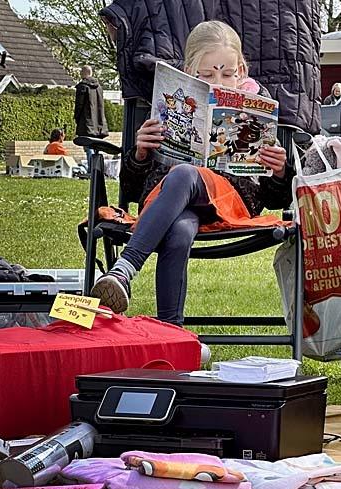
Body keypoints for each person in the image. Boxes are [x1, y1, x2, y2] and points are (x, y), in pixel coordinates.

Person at [89, 21, 292, 325]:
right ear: (190, 72)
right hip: (171, 206)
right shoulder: (169, 106)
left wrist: (279, 173)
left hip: (230, 205)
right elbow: (131, 189)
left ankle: (125, 268)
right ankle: (173, 332)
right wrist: (141, 154)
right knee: (181, 229)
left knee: (185, 173)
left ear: (242, 70)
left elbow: (275, 199)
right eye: (207, 75)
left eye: (227, 74)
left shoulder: (257, 115)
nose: (218, 82)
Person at [74, 65, 108, 164]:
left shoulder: (83, 86)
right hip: (99, 123)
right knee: (96, 147)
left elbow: (79, 105)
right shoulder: (99, 87)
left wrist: (77, 117)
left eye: (81, 72)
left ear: (84, 73)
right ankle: (96, 168)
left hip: (87, 122)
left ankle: (91, 169)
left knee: (88, 146)